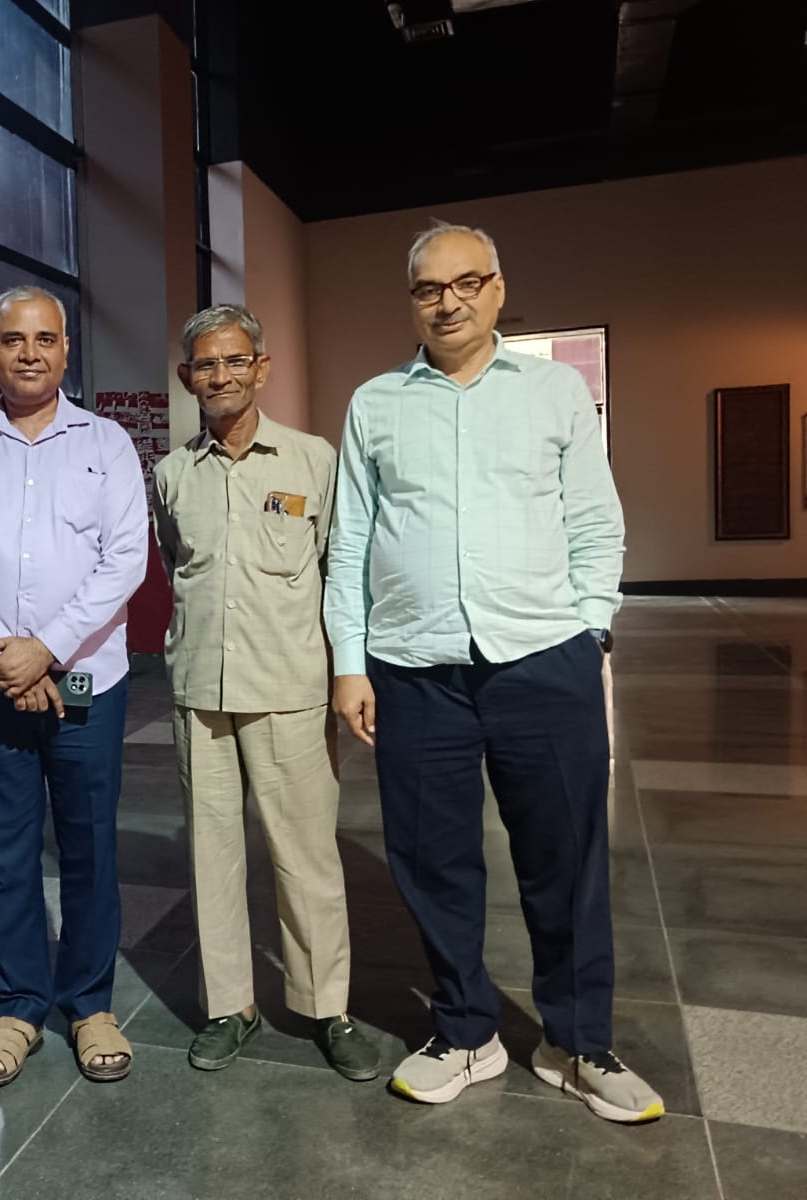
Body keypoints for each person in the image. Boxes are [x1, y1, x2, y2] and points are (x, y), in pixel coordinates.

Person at [325, 222, 662, 1123]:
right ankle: (466, 1031)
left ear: (498, 289)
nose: (448, 302)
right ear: (412, 301)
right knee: (431, 859)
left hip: (542, 660)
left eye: (466, 282)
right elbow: (351, 540)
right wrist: (350, 663)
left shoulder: (553, 391)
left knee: (566, 858)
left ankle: (578, 1041)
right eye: (429, 288)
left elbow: (595, 520)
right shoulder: (376, 403)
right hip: (413, 668)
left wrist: (588, 631)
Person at [0, 286, 147, 1087]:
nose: (30, 353)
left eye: (45, 338)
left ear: (66, 350)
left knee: (89, 846)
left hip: (86, 679)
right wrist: (3, 657)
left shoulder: (108, 443)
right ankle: (18, 1007)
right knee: (5, 852)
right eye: (13, 339)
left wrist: (44, 650)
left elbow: (126, 559)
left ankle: (89, 1005)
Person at [152, 305, 377, 1081]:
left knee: (305, 856)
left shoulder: (313, 461)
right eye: (206, 365)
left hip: (290, 688)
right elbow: (174, 565)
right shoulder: (172, 475)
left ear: (262, 367)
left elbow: (342, 571)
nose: (221, 375)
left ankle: (327, 1007)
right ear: (188, 377)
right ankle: (230, 1006)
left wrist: (349, 669)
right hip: (201, 691)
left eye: (235, 360)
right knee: (212, 856)